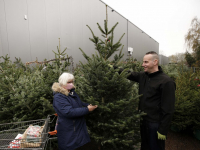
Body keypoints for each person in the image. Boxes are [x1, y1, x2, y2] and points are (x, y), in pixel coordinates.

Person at [125, 51, 176, 150]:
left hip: (155, 124)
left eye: (146, 62)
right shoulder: (143, 76)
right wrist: (113, 69)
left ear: (155, 62)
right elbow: (129, 74)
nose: (143, 64)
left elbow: (168, 109)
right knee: (144, 146)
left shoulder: (166, 82)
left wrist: (163, 130)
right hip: (143, 120)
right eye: (143, 62)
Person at [52, 72, 97, 150]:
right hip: (69, 129)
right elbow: (69, 112)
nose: (71, 84)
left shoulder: (71, 92)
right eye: (69, 82)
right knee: (70, 147)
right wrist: (87, 109)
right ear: (63, 83)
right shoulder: (59, 97)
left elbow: (78, 103)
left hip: (76, 127)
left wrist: (88, 105)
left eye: (72, 82)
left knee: (78, 146)